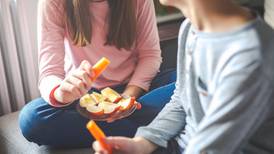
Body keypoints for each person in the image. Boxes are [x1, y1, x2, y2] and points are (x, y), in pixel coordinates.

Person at [93, 0, 274, 153]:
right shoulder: (191, 28)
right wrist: (141, 144)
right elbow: (181, 99)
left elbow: (212, 148)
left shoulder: (252, 55)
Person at [18, 0, 176, 148]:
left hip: (135, 90)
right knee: (31, 119)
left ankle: (148, 128)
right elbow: (50, 71)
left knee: (189, 84)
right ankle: (157, 128)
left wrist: (127, 98)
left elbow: (150, 55)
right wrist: (61, 93)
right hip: (86, 96)